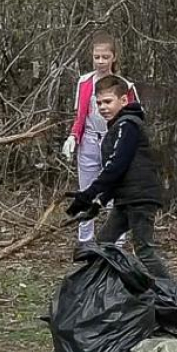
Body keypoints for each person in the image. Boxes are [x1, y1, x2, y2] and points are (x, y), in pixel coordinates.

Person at [64, 76, 171, 279]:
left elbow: (116, 166)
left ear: (123, 100)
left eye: (108, 101)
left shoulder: (127, 125)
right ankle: (99, 291)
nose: (103, 107)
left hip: (140, 198)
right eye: (98, 103)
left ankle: (175, 297)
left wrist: (89, 193)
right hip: (126, 198)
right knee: (103, 244)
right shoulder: (116, 127)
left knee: (144, 251)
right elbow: (118, 175)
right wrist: (98, 203)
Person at [61, 34, 140, 245]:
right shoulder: (84, 82)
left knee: (114, 190)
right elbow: (81, 116)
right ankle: (85, 240)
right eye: (97, 57)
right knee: (86, 189)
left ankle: (117, 240)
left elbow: (132, 116)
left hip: (113, 141)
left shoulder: (125, 85)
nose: (101, 61)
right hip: (89, 140)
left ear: (113, 58)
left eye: (106, 57)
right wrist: (73, 136)